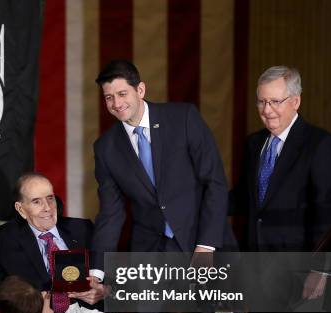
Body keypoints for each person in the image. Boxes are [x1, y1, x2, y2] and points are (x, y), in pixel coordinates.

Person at [230, 66, 331, 313]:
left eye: (275, 101)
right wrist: (194, 200)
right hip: (259, 274)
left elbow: (330, 213)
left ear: (295, 101)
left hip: (302, 277)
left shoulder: (320, 144)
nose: (267, 109)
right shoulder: (254, 144)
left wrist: (320, 271)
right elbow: (246, 200)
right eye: (261, 101)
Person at [91, 60, 230, 264]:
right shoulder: (105, 147)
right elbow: (111, 213)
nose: (116, 104)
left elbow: (214, 181)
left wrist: (206, 245)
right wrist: (97, 271)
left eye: (122, 94)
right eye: (109, 98)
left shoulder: (183, 118)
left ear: (140, 89)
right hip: (150, 253)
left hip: (202, 242)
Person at [0, 172, 99, 313]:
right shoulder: (5, 237)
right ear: (21, 209)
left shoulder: (83, 229)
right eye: (36, 201)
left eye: (50, 198)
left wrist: (105, 291)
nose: (47, 208)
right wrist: (26, 297)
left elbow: (121, 277)